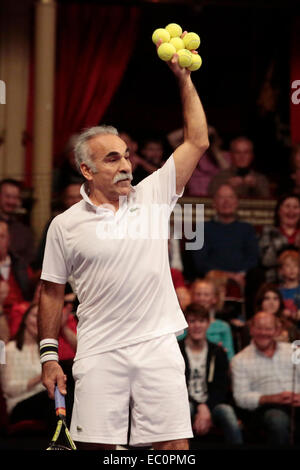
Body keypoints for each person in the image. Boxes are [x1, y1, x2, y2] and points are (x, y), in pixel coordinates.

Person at [38, 49, 209, 451]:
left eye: (127, 155)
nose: (126, 165)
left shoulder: (154, 193)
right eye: (112, 159)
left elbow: (198, 140)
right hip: (98, 351)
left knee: (173, 450)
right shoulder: (64, 226)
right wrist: (48, 356)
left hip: (159, 346)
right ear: (87, 170)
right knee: (100, 452)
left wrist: (184, 79)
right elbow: (50, 291)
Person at [231, 311, 300, 446]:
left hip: (297, 403)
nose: (263, 333)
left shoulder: (294, 351)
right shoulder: (239, 360)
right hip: (266, 409)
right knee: (278, 421)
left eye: (268, 329)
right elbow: (240, 398)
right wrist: (273, 398)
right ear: (251, 330)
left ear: (276, 331)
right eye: (259, 328)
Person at [179, 303, 242, 444]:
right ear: (186, 324)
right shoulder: (177, 350)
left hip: (212, 403)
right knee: (185, 410)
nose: (197, 326)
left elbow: (221, 387)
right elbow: (174, 386)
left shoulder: (217, 352)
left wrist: (206, 406)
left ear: (208, 324)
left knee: (227, 412)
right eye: (192, 321)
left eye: (201, 321)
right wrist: (198, 405)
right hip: (184, 402)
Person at [187, 184, 259, 287]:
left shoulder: (247, 229)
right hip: (212, 278)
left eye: (230, 197)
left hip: (242, 277)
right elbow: (200, 262)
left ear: (236, 202)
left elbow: (252, 259)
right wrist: (228, 275)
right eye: (221, 198)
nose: (226, 201)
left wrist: (238, 275)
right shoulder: (200, 228)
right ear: (214, 203)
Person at [0, 304, 55, 430]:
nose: (38, 321)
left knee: (61, 395)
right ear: (25, 319)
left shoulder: (44, 350)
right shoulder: (8, 349)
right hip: (18, 405)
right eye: (35, 316)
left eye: (42, 318)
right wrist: (40, 377)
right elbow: (9, 389)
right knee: (54, 398)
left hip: (44, 401)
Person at [167, 125, 231, 196]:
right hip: (194, 198)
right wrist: (196, 130)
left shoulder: (225, 156)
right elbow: (171, 138)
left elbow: (226, 171)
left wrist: (214, 148)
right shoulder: (191, 155)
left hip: (215, 198)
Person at [259, 194, 300, 283]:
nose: (291, 211)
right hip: (274, 282)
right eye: (287, 206)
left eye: (295, 207)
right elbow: (266, 261)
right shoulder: (268, 232)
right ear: (279, 210)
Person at [190, 279, 235, 360]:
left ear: (214, 299)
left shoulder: (223, 327)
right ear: (192, 297)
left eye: (206, 295)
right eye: (198, 294)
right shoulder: (183, 325)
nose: (201, 298)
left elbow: (229, 357)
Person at [0, 179, 35, 264]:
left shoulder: (25, 231)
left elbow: (30, 263)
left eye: (15, 197)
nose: (11, 201)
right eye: (7, 196)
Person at [278, 250, 300, 321]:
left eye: (295, 266)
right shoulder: (277, 291)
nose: (292, 269)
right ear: (281, 270)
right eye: (288, 266)